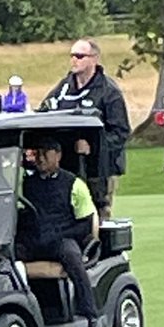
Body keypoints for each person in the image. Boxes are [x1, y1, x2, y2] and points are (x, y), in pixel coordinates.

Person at [17, 136, 105, 327]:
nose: (38, 158)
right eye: (35, 154)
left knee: (72, 257)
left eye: (44, 153)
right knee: (6, 258)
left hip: (61, 239)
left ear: (57, 155)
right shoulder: (26, 184)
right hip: (34, 240)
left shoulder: (74, 184)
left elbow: (85, 223)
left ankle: (92, 318)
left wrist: (59, 232)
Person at [41, 38, 130, 218]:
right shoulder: (64, 87)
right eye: (72, 55)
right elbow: (45, 111)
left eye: (80, 56)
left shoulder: (108, 91)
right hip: (68, 166)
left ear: (94, 59)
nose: (74, 60)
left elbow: (121, 132)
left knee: (97, 214)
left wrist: (94, 146)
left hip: (100, 170)